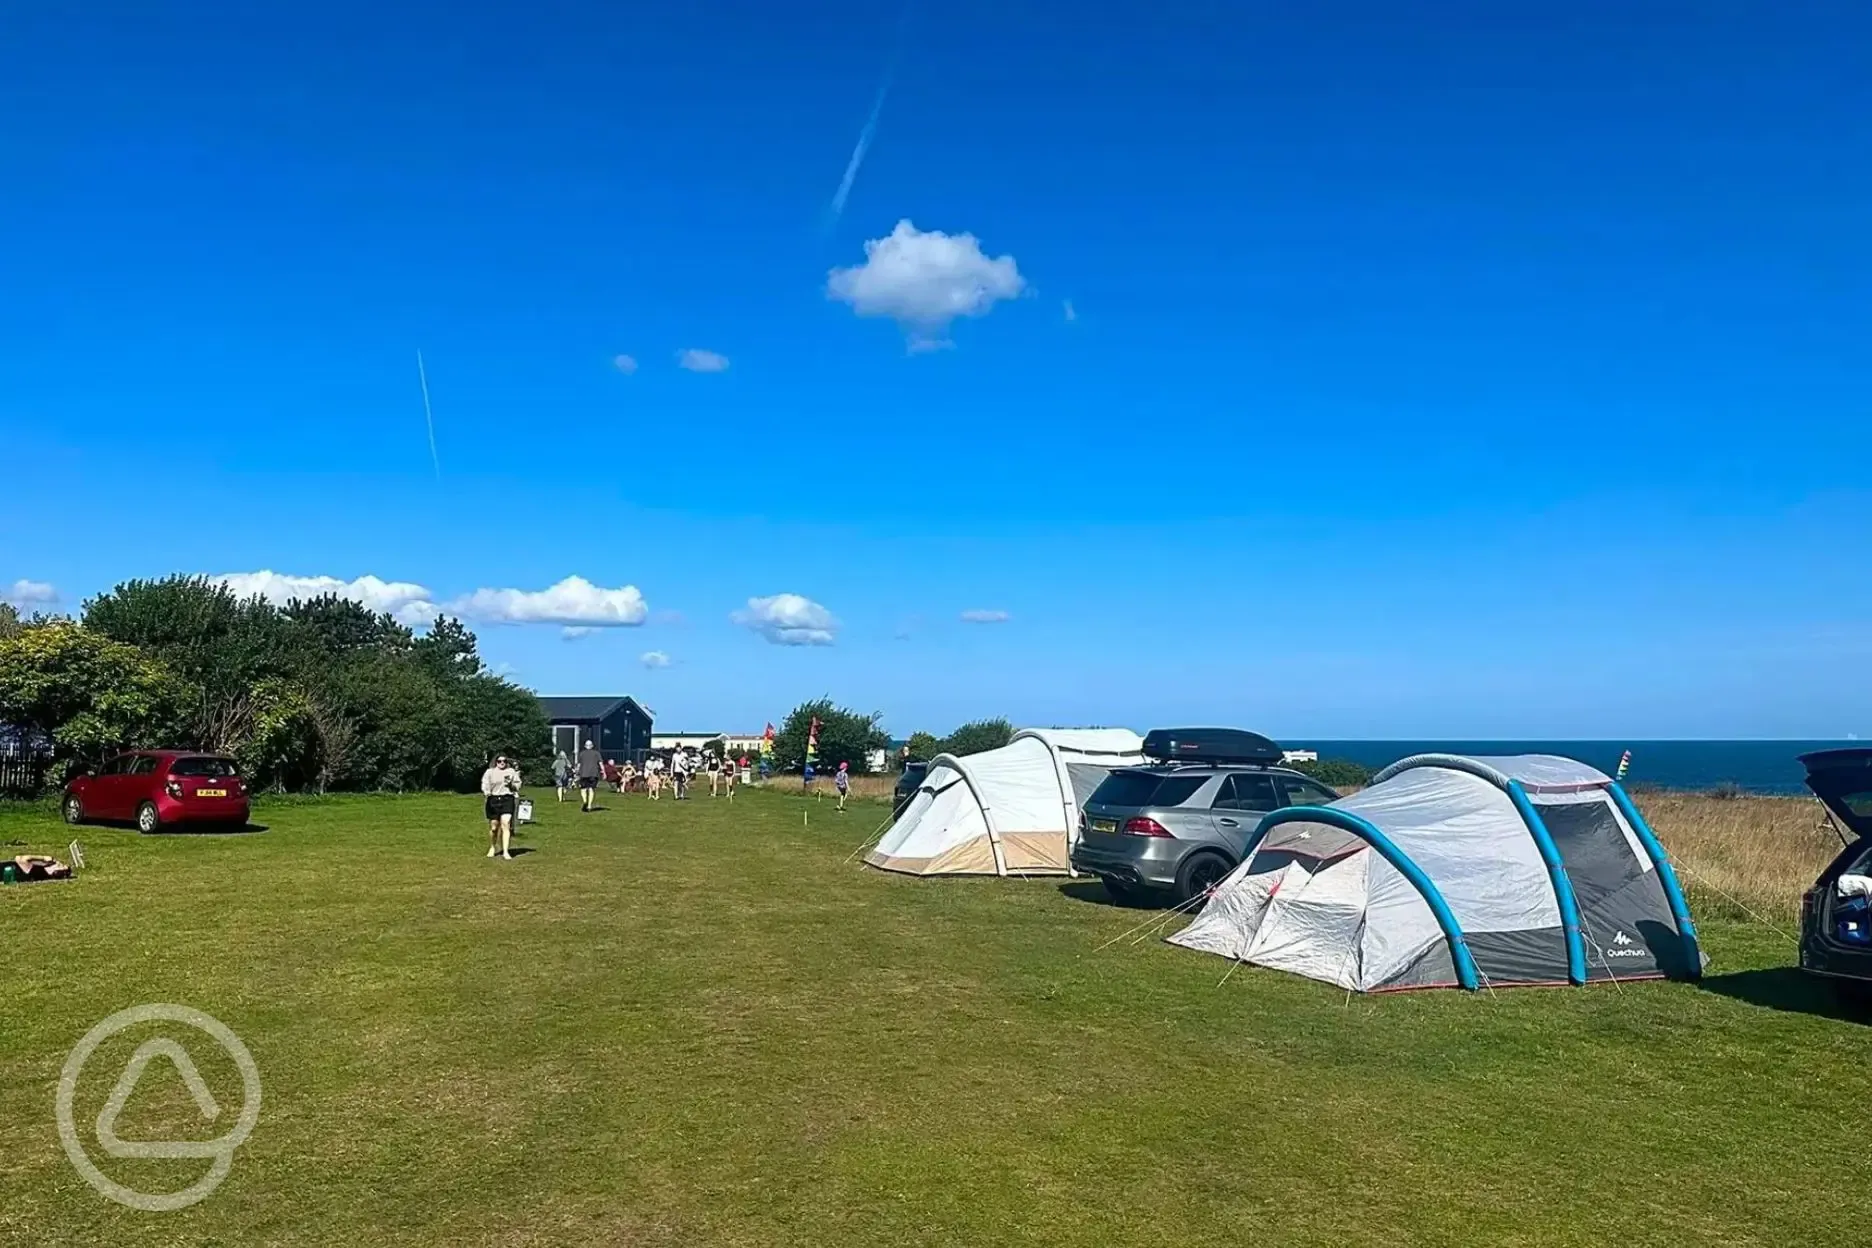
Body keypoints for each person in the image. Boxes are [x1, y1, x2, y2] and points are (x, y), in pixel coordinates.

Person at [480, 753, 522, 858]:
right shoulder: (490, 772)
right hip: (493, 799)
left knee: (506, 823)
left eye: (504, 761)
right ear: (495, 762)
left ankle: (506, 851)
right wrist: (487, 792)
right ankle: (492, 847)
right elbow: (485, 784)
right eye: (499, 761)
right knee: (494, 827)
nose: (502, 763)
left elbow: (517, 785)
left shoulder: (511, 772)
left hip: (507, 799)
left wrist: (511, 785)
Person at [576, 738, 603, 812]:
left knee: (583, 789)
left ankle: (585, 801)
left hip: (583, 774)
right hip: (593, 774)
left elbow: (579, 765)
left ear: (585, 746)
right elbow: (600, 763)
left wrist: (576, 772)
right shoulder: (597, 753)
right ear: (592, 746)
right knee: (591, 789)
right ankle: (589, 806)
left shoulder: (581, 753)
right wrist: (604, 772)